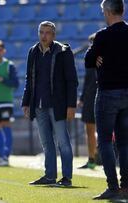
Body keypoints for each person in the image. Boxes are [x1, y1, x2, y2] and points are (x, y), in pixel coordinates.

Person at [22, 21, 78, 187]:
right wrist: (26, 102)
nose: (44, 36)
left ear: (53, 35)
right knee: (47, 143)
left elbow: (72, 80)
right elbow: (29, 79)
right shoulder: (33, 51)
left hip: (58, 105)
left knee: (63, 142)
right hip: (39, 106)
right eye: (41, 32)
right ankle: (50, 176)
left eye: (47, 33)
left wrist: (71, 105)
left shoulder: (63, 51)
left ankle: (66, 178)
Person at [85, 0, 128, 199]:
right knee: (124, 143)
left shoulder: (103, 35)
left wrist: (96, 56)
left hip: (108, 92)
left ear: (109, 11)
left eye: (103, 10)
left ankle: (113, 187)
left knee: (104, 141)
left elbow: (87, 60)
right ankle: (126, 186)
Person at [77, 34, 98, 169]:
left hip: (106, 97)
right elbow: (87, 81)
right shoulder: (90, 60)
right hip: (90, 98)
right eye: (91, 43)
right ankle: (91, 159)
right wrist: (83, 98)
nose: (92, 46)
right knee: (89, 129)